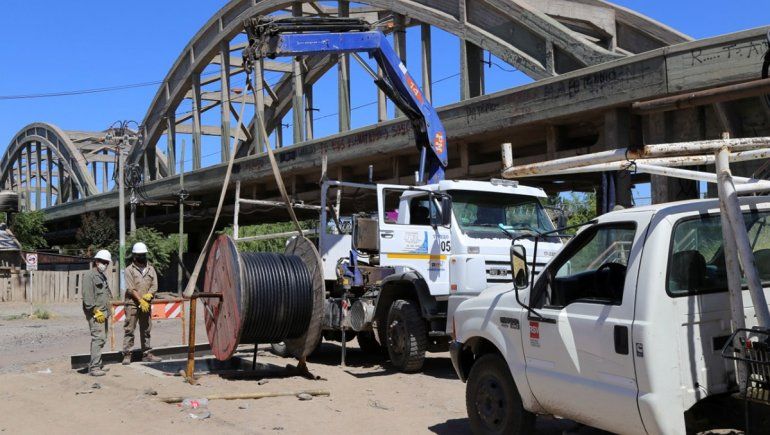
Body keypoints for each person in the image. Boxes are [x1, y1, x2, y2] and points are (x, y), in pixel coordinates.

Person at [122, 242, 162, 364]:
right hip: (132, 304)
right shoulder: (129, 270)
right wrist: (140, 300)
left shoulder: (151, 269)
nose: (142, 256)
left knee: (146, 329)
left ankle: (146, 353)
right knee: (129, 329)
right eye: (139, 255)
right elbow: (130, 288)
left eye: (143, 254)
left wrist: (149, 295)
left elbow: (154, 285)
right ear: (134, 256)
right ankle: (127, 354)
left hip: (146, 304)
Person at [82, 249, 113, 377]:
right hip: (95, 313)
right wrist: (95, 311)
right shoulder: (89, 276)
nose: (105, 265)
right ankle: (94, 367)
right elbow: (87, 298)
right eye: (103, 262)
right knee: (98, 338)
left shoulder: (101, 276)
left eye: (107, 263)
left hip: (103, 312)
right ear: (96, 261)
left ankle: (97, 364)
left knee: (103, 339)